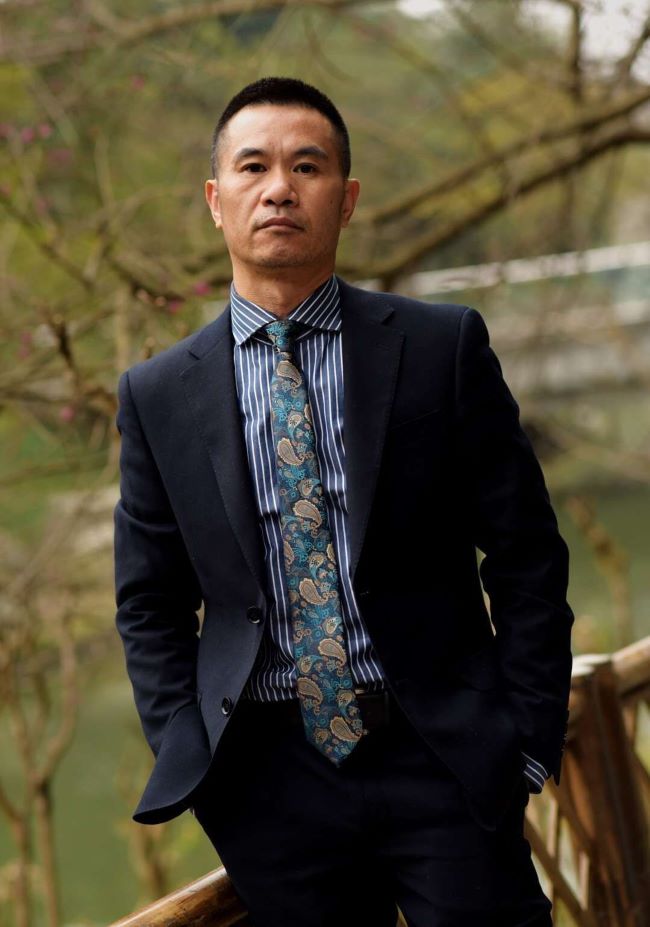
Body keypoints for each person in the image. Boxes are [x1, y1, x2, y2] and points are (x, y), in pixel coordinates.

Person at [114, 76, 574, 926]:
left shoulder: (440, 346)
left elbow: (526, 552)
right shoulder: (158, 394)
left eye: (307, 166)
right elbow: (149, 600)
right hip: (268, 780)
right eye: (253, 167)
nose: (279, 188)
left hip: (441, 748)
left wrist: (528, 737)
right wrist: (197, 753)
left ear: (347, 198)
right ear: (216, 200)